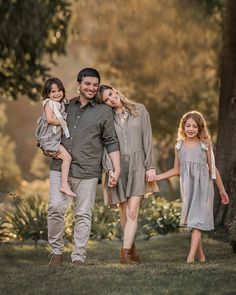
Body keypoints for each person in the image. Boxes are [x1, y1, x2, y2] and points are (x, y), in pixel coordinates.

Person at [47, 68, 120, 267]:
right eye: (87, 84)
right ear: (78, 84)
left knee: (83, 214)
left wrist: (116, 168)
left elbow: (111, 141)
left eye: (95, 85)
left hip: (88, 169)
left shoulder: (104, 111)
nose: (91, 88)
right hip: (59, 166)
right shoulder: (64, 106)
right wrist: (46, 149)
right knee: (55, 208)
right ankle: (56, 251)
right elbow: (48, 129)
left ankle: (78, 256)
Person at [156, 110, 229, 263]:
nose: (190, 129)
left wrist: (222, 190)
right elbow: (176, 170)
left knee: (196, 222)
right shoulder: (179, 146)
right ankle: (201, 257)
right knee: (193, 221)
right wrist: (157, 177)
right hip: (188, 189)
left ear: (200, 128)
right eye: (188, 125)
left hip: (203, 188)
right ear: (183, 127)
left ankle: (190, 259)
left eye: (194, 126)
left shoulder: (205, 145)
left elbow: (213, 169)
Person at [97, 85, 158, 264]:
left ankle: (124, 254)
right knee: (124, 213)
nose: (111, 100)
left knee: (132, 211)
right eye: (106, 101)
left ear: (115, 91)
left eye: (110, 95)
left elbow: (147, 139)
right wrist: (110, 170)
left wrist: (150, 166)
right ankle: (130, 248)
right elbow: (105, 146)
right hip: (118, 167)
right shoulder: (107, 118)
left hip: (139, 164)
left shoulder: (140, 110)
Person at [36, 77, 76, 197]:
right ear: (48, 94)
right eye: (53, 92)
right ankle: (64, 185)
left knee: (64, 157)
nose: (57, 93)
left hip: (53, 139)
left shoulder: (59, 104)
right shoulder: (49, 103)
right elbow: (50, 120)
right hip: (49, 139)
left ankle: (65, 182)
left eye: (59, 90)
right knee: (67, 158)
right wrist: (64, 123)